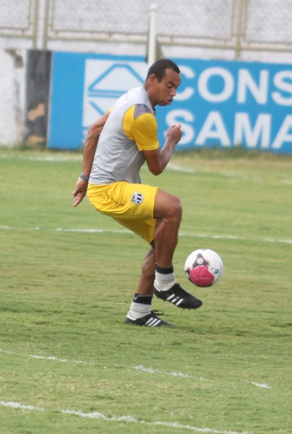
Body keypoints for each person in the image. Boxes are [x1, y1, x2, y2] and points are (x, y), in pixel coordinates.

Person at [71, 58, 201, 327]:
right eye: (169, 86)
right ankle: (165, 283)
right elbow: (157, 167)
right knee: (173, 207)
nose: (173, 93)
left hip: (107, 187)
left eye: (176, 88)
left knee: (162, 241)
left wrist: (85, 176)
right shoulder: (142, 117)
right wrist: (171, 141)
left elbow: (95, 128)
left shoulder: (130, 97)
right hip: (110, 190)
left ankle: (139, 312)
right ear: (152, 80)